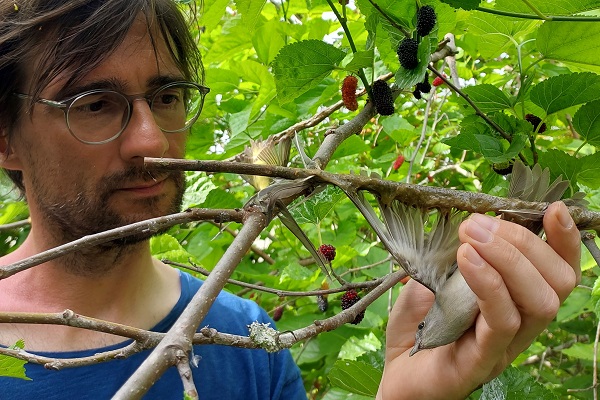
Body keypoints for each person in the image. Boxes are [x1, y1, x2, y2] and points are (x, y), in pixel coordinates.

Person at [0, 1, 581, 399]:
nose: (152, 139)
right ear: (6, 139)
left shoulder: (250, 343)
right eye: (94, 103)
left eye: (169, 94)